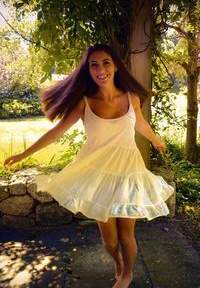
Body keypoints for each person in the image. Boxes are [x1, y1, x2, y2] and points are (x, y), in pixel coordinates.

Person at [4, 44, 174, 288]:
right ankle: (117, 261)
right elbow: (56, 133)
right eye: (93, 64)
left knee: (127, 234)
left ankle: (126, 275)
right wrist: (23, 154)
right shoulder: (84, 102)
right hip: (97, 175)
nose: (100, 69)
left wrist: (156, 141)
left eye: (105, 63)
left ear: (115, 66)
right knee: (111, 241)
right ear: (87, 70)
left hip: (128, 172)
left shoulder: (131, 97)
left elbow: (140, 124)